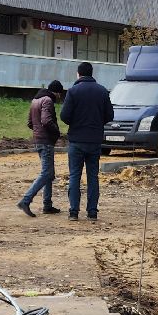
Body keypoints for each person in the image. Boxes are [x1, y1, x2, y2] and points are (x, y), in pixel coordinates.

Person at [59, 61, 114, 220]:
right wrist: (96, 123)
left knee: (74, 175)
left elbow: (64, 116)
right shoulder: (102, 91)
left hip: (76, 140)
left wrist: (76, 122)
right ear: (91, 73)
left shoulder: (73, 91)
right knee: (93, 176)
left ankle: (74, 212)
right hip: (95, 140)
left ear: (78, 74)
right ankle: (92, 212)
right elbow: (109, 115)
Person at [17, 80, 65, 216]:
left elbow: (30, 123)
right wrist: (56, 132)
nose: (59, 98)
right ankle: (26, 201)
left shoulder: (35, 100)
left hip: (38, 140)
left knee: (49, 174)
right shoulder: (48, 100)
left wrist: (38, 132)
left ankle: (47, 205)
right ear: (56, 92)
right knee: (46, 173)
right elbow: (46, 120)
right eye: (60, 94)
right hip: (46, 141)